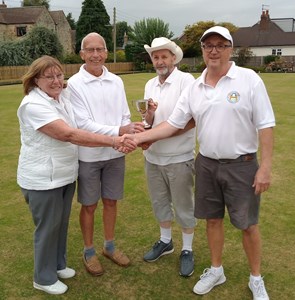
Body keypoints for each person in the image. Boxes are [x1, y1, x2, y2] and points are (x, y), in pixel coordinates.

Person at [123, 26, 275, 300]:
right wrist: (141, 137)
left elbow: (265, 125)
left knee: (248, 225)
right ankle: (216, 270)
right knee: (212, 221)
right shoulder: (195, 87)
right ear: (203, 50)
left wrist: (265, 167)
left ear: (230, 48)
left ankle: (256, 278)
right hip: (206, 163)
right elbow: (172, 124)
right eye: (208, 46)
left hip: (242, 164)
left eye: (220, 45)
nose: (214, 50)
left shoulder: (249, 79)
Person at [17, 56, 136, 295]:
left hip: (62, 175)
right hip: (42, 179)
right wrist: (114, 139)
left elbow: (86, 82)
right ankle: (43, 277)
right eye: (48, 76)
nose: (56, 80)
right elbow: (69, 134)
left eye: (59, 75)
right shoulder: (33, 105)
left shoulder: (61, 95)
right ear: (35, 80)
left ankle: (58, 265)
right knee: (47, 228)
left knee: (59, 226)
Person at [67, 32, 145, 276]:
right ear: (82, 54)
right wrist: (119, 133)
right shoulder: (74, 84)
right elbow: (83, 125)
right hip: (89, 155)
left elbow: (124, 115)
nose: (96, 54)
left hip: (115, 154)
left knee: (111, 201)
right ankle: (89, 251)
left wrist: (125, 137)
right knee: (89, 205)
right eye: (90, 50)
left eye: (100, 49)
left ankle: (109, 246)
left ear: (106, 52)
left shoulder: (116, 81)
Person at [141, 37, 197, 277]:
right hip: (153, 158)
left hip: (179, 156)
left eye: (164, 56)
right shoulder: (149, 84)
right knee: (160, 202)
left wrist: (153, 136)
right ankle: (166, 242)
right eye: (155, 56)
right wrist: (149, 117)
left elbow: (192, 119)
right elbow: (147, 121)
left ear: (174, 58)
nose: (160, 61)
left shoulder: (187, 81)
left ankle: (187, 249)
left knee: (184, 206)